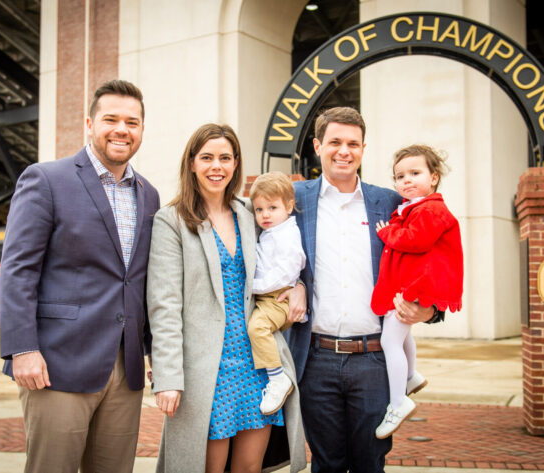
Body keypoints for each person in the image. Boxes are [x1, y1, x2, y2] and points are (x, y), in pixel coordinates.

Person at [0, 80, 160, 473]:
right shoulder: (46, 179)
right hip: (57, 363)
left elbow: (143, 281)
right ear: (89, 124)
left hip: (125, 368)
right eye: (111, 119)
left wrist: (155, 351)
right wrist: (22, 348)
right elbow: (18, 270)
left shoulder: (149, 194)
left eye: (132, 122)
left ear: (142, 129)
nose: (122, 130)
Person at [286, 107, 445, 472]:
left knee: (370, 463)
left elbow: (433, 255)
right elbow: (265, 254)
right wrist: (294, 284)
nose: (344, 151)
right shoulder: (295, 200)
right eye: (335, 142)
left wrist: (430, 309)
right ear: (317, 146)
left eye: (353, 144)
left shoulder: (390, 202)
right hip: (315, 358)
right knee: (326, 464)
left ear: (363, 148)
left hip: (374, 359)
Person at [147, 124, 307, 473]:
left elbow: (284, 252)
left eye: (225, 157)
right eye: (207, 157)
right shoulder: (171, 221)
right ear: (192, 163)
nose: (216, 166)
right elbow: (164, 306)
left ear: (236, 164)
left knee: (249, 468)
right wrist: (167, 377)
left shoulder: (251, 212)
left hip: (258, 362)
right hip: (207, 369)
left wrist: (299, 286)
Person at [370, 144, 464, 439]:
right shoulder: (415, 207)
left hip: (416, 286)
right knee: (402, 335)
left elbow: (416, 240)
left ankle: (398, 402)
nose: (406, 180)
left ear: (433, 177)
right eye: (400, 176)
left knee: (390, 341)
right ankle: (410, 376)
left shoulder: (431, 209)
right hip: (407, 284)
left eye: (415, 173)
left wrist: (388, 232)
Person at [246, 172, 307, 415]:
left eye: (272, 207)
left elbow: (285, 272)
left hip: (279, 297)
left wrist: (253, 287)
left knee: (257, 327)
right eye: (259, 209)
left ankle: (278, 378)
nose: (265, 215)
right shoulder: (272, 231)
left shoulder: (287, 235)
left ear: (289, 207)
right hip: (268, 295)